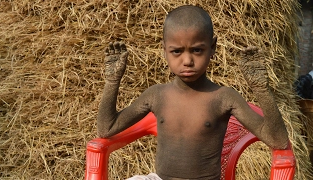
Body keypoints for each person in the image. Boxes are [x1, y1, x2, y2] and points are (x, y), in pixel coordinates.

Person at [97, 5, 289, 180]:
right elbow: (107, 128)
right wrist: (112, 81)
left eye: (197, 50)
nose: (187, 60)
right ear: (164, 50)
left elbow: (278, 140)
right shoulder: (157, 95)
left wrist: (261, 89)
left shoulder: (224, 97)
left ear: (212, 47)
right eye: (177, 51)